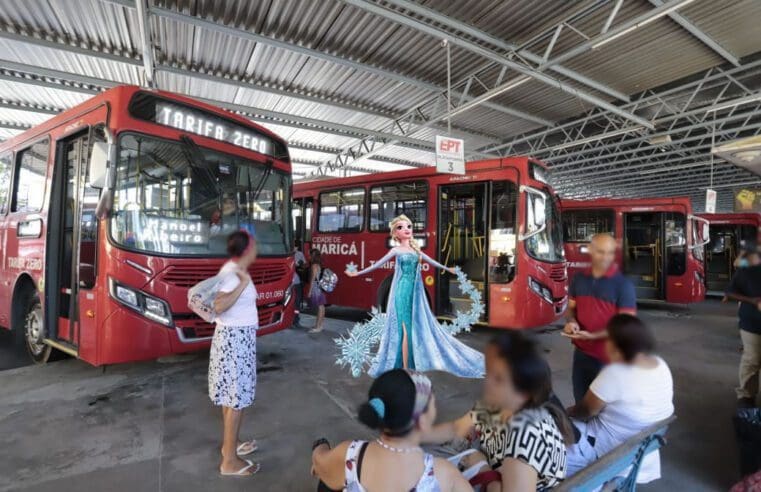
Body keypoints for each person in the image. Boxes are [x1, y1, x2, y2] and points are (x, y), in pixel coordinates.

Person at [422, 333, 572, 491]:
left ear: (523, 393)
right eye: (489, 372)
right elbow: (457, 428)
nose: (487, 383)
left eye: (498, 379)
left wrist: (482, 468)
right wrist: (414, 435)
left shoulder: (524, 434)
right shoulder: (498, 407)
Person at [343, 214, 484, 378]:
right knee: (403, 328)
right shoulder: (396, 250)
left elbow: (432, 261)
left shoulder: (416, 250)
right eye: (401, 227)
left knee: (409, 328)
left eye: (408, 226)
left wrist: (448, 268)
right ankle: (404, 366)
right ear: (395, 233)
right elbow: (376, 265)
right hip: (401, 291)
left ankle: (407, 365)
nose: (407, 230)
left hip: (413, 294)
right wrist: (357, 273)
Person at [311, 369, 472, 492]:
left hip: (340, 463)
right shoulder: (442, 473)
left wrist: (321, 445)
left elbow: (319, 461)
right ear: (422, 421)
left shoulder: (350, 455)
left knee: (328, 478)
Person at [566, 314, 674, 484]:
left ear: (617, 346)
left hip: (607, 451)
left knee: (546, 446)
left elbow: (585, 411)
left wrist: (560, 413)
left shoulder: (615, 373)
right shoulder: (660, 364)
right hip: (642, 449)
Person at [209, 230, 260, 476]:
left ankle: (231, 445)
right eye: (255, 245)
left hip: (237, 340)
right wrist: (241, 285)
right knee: (236, 399)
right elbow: (218, 305)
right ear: (247, 248)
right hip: (234, 341)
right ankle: (229, 461)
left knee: (232, 398)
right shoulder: (232, 274)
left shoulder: (235, 269)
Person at [563, 233, 637, 403]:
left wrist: (593, 336)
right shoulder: (579, 279)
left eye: (610, 253)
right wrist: (571, 322)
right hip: (581, 354)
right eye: (601, 252)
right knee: (581, 403)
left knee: (604, 409)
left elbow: (625, 326)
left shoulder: (623, 285)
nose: (606, 257)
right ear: (589, 250)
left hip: (609, 358)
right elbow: (570, 309)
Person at [725, 244, 761, 408]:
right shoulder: (747, 269)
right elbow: (730, 292)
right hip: (751, 323)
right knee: (752, 360)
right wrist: (753, 301)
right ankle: (746, 395)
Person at [308, 248, 327, 334]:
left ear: (313, 256)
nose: (309, 256)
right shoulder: (318, 265)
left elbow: (313, 279)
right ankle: (320, 325)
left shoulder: (314, 266)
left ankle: (318, 327)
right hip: (320, 287)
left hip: (316, 288)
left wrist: (309, 291)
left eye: (310, 255)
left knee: (319, 307)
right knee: (322, 307)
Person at [292, 239, 308, 329]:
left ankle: (296, 320)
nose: (293, 247)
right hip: (288, 282)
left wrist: (300, 264)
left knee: (297, 302)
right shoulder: (286, 254)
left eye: (295, 246)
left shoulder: (299, 254)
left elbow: (305, 265)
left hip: (296, 281)